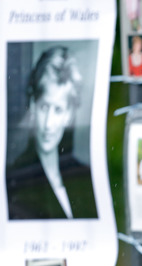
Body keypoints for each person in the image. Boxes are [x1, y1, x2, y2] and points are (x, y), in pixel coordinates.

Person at [5, 45, 98, 220]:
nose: (48, 124)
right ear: (32, 105)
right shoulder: (17, 179)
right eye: (44, 107)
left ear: (69, 114)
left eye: (58, 110)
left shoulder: (83, 176)